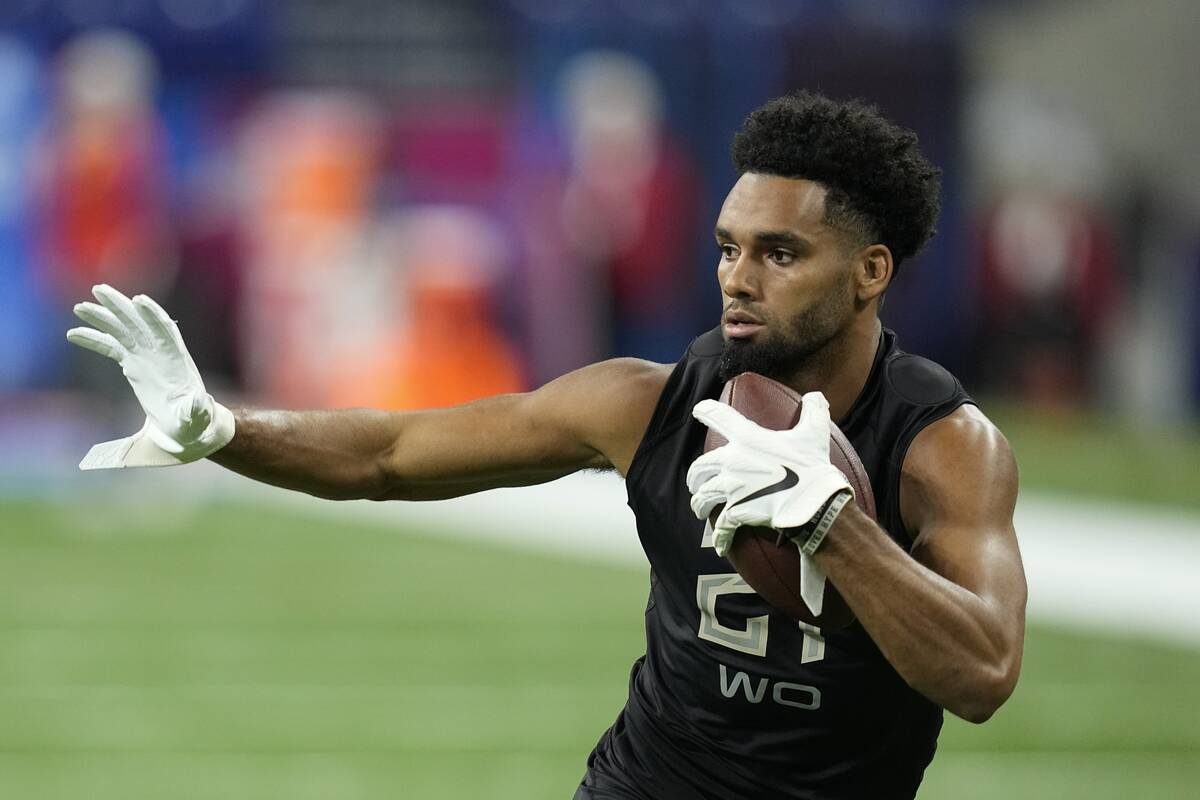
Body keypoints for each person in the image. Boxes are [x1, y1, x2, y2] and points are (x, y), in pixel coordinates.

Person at [66, 91, 1026, 800]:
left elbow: (983, 677)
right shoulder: (646, 404)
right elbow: (391, 454)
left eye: (780, 253)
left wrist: (833, 526)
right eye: (729, 246)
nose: (739, 277)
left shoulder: (940, 447)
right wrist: (224, 430)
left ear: (870, 272)